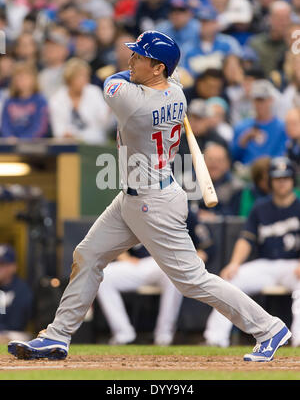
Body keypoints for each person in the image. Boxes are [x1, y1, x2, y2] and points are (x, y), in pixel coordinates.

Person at [8, 31, 291, 363]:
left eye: (140, 57)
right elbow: (159, 80)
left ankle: (268, 328)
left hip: (153, 202)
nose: (131, 61)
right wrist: (165, 75)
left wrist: (150, 75)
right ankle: (58, 335)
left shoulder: (134, 102)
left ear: (158, 68)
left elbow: (112, 80)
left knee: (192, 280)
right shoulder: (177, 94)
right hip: (133, 197)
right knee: (88, 255)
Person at [204, 157, 300, 348]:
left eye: (286, 178)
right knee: (230, 280)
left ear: (292, 180)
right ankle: (215, 338)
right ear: (270, 181)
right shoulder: (260, 207)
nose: (282, 182)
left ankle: (298, 340)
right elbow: (246, 239)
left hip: (294, 265)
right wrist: (234, 263)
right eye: (277, 178)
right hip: (266, 264)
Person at [97, 209, 213, 346]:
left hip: (170, 261)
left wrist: (193, 261)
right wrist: (124, 257)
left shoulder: (182, 207)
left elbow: (207, 245)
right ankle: (123, 334)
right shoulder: (134, 205)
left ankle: (163, 336)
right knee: (104, 275)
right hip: (141, 263)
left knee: (173, 274)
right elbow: (114, 239)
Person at [48, 58, 110, 145]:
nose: (86, 80)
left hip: (95, 143)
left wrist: (110, 109)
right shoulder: (56, 99)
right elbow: (58, 131)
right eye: (81, 76)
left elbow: (104, 123)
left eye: (86, 76)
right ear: (70, 78)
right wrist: (68, 136)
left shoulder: (94, 92)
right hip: (68, 147)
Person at [231, 79, 288, 165]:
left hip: (272, 173)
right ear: (252, 101)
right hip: (246, 174)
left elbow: (283, 155)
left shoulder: (282, 128)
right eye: (257, 100)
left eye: (263, 100)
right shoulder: (241, 127)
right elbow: (232, 157)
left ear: (271, 100)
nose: (259, 104)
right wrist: (243, 141)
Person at [1, 62, 49, 139]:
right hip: (11, 144)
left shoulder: (40, 101)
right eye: (18, 78)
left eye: (25, 78)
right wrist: (9, 137)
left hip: (34, 145)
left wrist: (23, 140)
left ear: (33, 79)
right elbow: (5, 125)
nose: (22, 82)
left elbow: (40, 127)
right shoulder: (9, 101)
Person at [0, 244, 33, 342]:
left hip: (15, 333)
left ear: (13, 267)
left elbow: (17, 323)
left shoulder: (21, 289)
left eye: (2, 265)